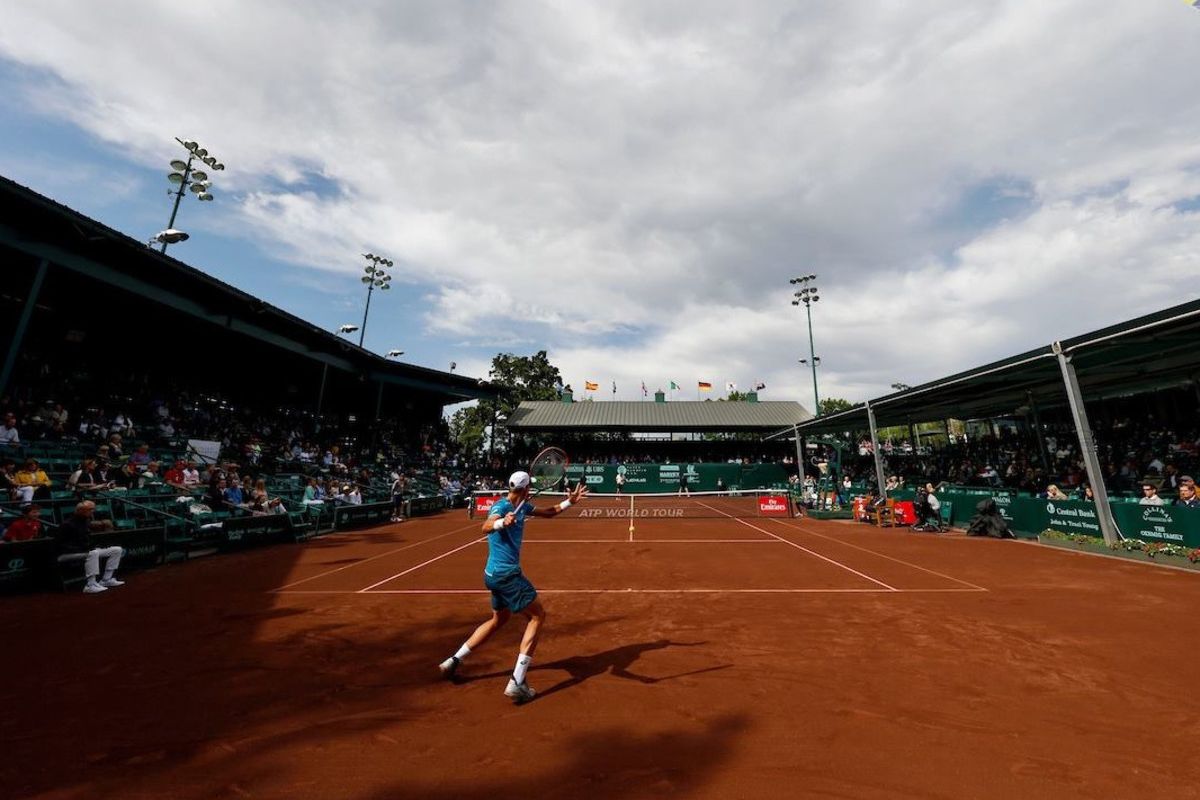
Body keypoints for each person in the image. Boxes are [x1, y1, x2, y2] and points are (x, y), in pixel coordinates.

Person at [438, 472, 589, 704]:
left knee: (499, 620)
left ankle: (454, 660)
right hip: (507, 576)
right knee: (537, 616)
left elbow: (549, 512)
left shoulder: (523, 506)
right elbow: (485, 527)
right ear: (526, 489)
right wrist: (501, 522)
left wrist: (570, 501)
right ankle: (517, 682)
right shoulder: (500, 506)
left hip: (492, 575)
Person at [54, 501, 125, 594]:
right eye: (90, 510)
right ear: (81, 511)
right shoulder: (67, 524)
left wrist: (96, 546)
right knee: (93, 553)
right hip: (65, 554)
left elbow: (86, 540)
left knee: (116, 550)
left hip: (84, 551)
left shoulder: (85, 522)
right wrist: (85, 549)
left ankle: (106, 579)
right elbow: (60, 544)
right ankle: (90, 585)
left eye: (92, 509)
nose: (92, 512)